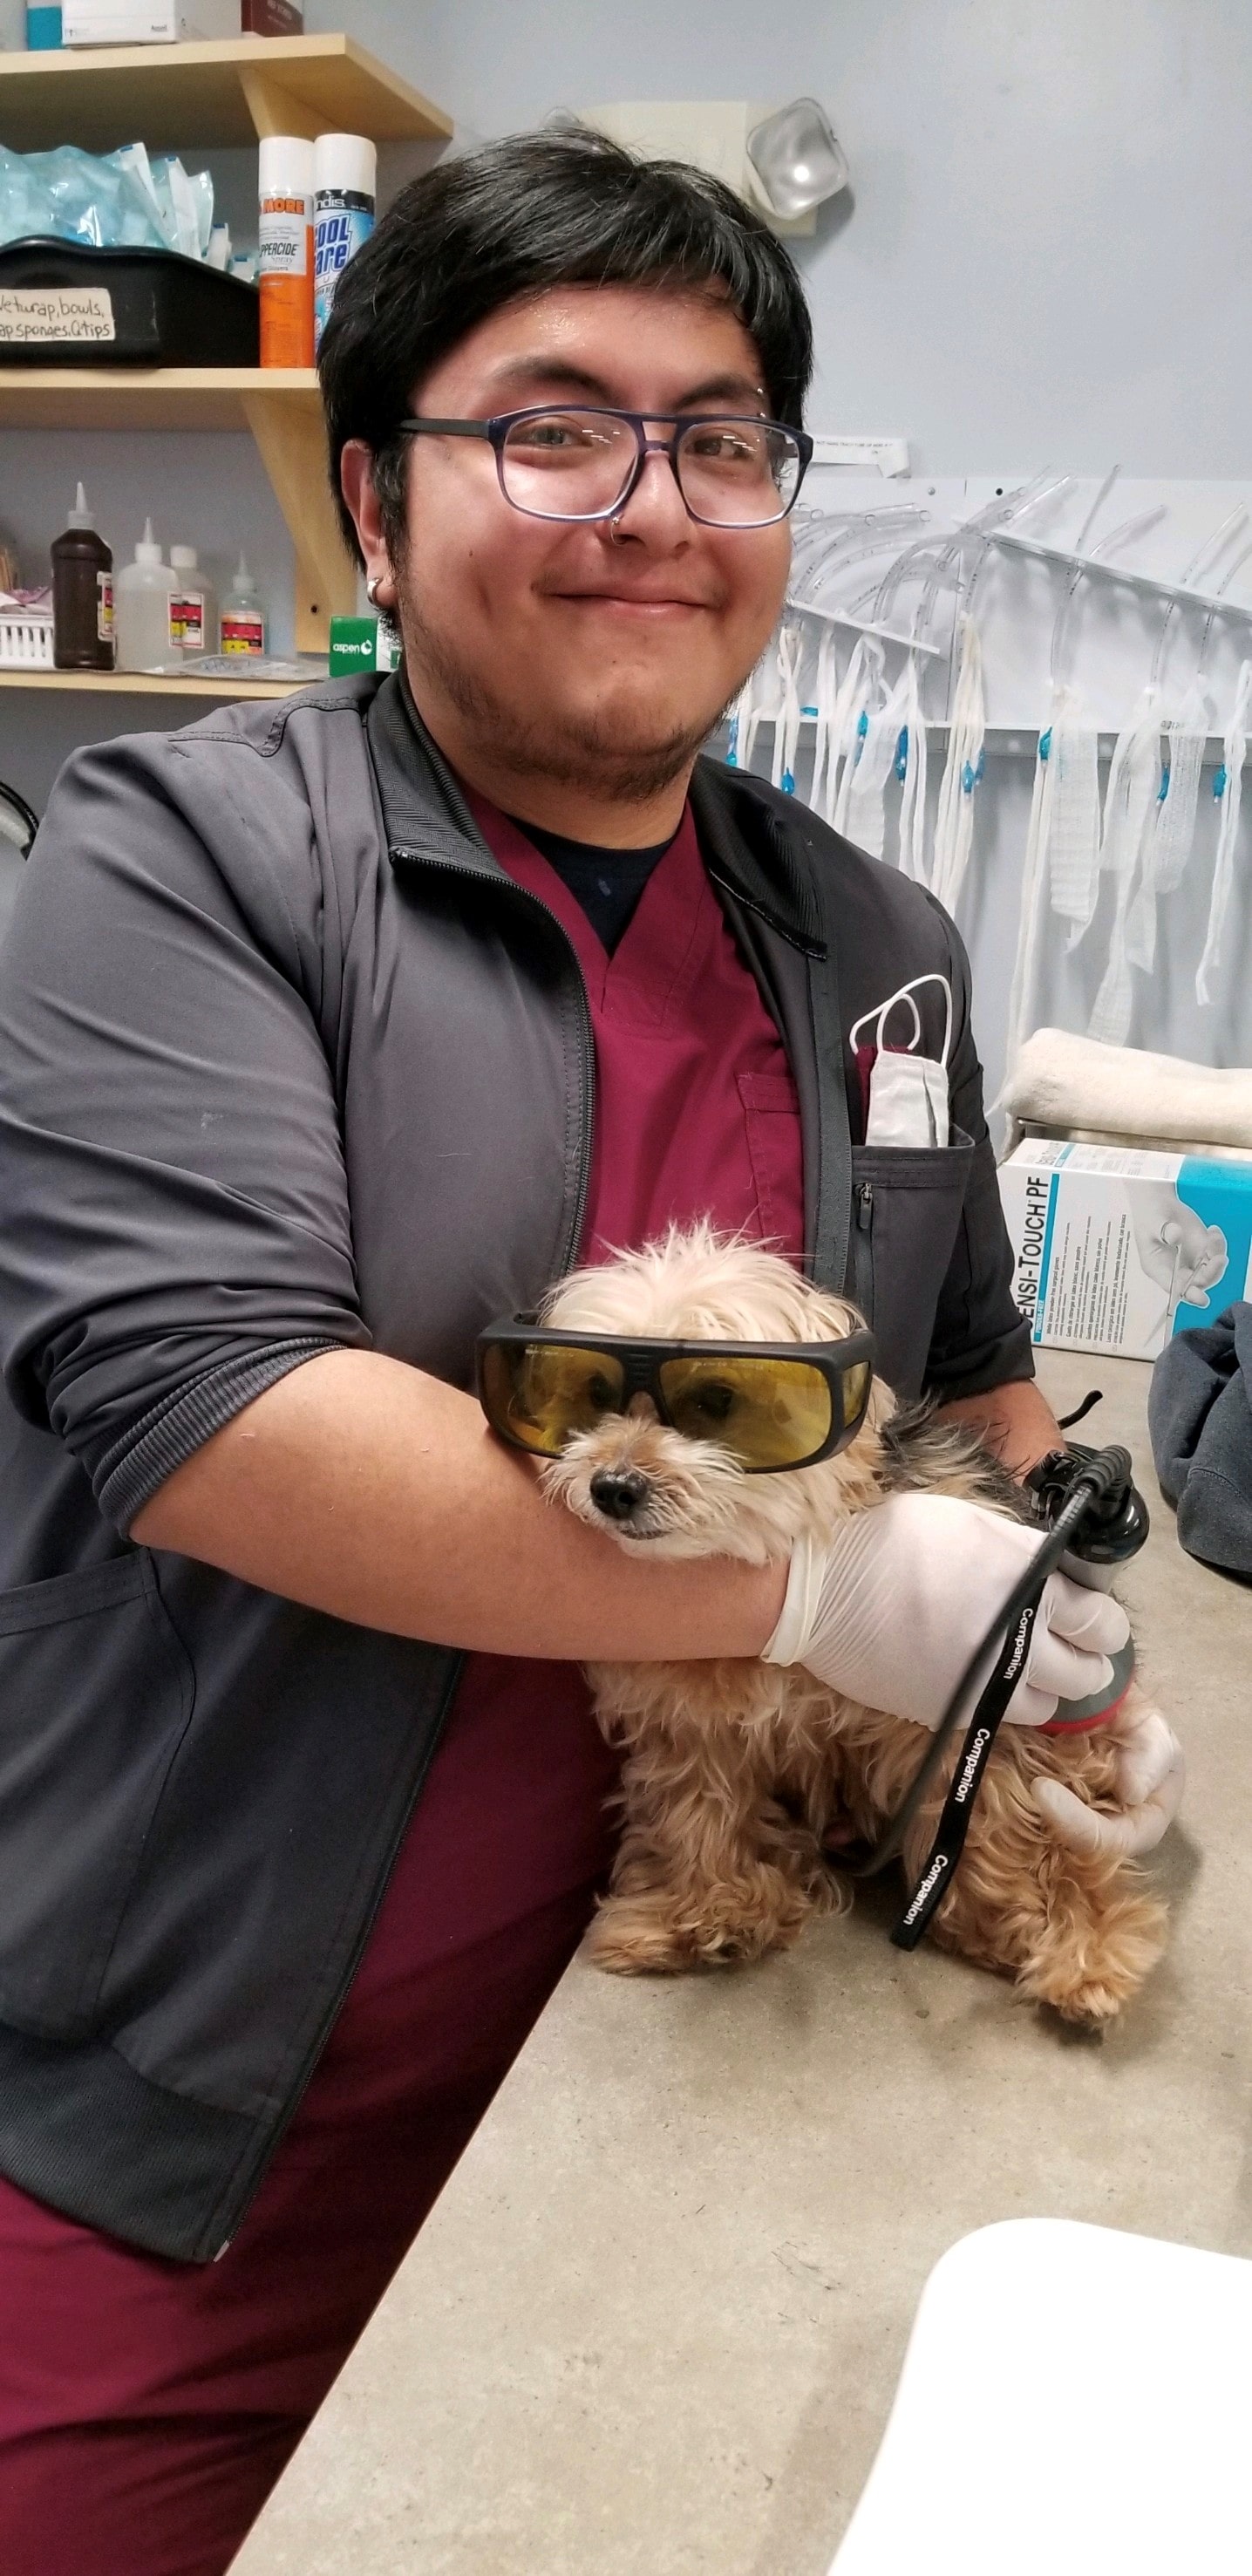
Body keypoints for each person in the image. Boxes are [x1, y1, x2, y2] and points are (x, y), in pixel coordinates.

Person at [0, 133, 1181, 2573]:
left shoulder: (877, 940)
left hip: (688, 2013)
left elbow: (965, 1366)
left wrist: (1053, 1635)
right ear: (370, 492)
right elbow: (215, 1416)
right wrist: (805, 1600)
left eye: (720, 436)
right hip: (195, 2094)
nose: (650, 504)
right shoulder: (171, 862)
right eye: (551, 424)